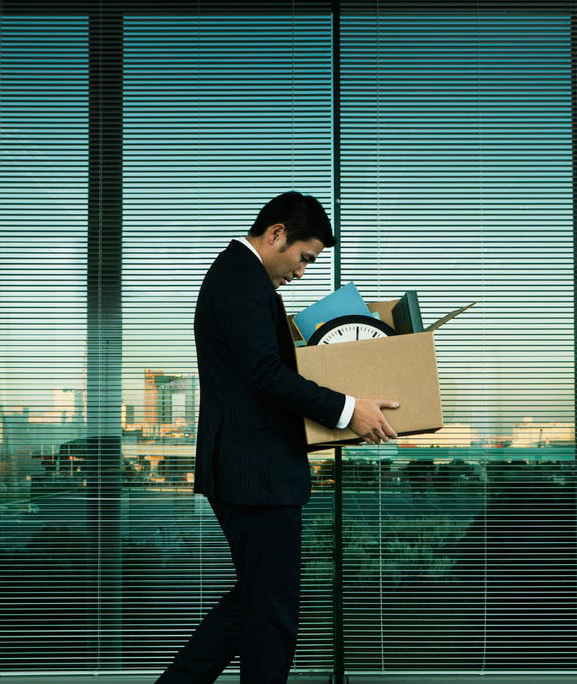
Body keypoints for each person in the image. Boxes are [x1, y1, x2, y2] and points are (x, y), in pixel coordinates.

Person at [157, 191, 400, 683]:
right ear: (276, 235)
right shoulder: (240, 278)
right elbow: (263, 374)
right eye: (304, 258)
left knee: (256, 601)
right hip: (254, 472)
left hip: (253, 468)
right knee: (271, 611)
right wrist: (348, 409)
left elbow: (262, 367)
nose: (302, 272)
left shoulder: (243, 278)